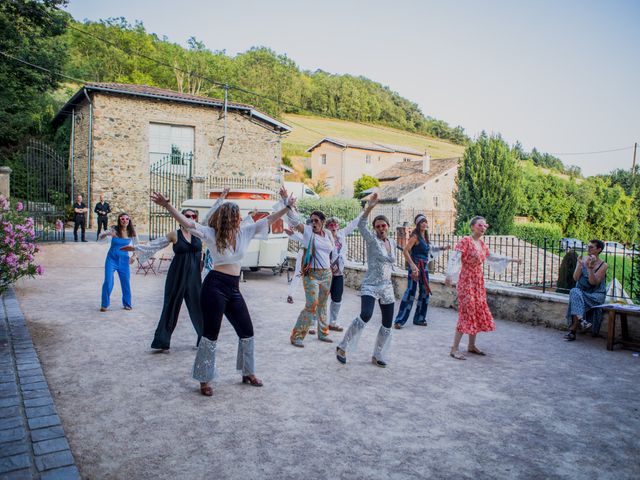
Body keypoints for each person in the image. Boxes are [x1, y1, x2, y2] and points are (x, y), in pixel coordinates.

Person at [150, 186, 295, 397]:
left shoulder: (245, 232)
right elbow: (188, 223)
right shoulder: (211, 234)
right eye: (236, 216)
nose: (239, 219)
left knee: (247, 331)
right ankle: (204, 379)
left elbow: (269, 220)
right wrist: (167, 205)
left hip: (233, 287)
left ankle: (248, 372)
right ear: (230, 218)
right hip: (215, 286)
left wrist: (287, 206)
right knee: (211, 334)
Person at [124, 206, 214, 351]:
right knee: (170, 306)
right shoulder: (174, 234)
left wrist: (222, 196)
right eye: (187, 215)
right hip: (176, 275)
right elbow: (155, 244)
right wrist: (136, 249)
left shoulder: (198, 232)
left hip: (194, 277)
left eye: (193, 216)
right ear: (180, 217)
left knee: (199, 307)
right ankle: (162, 341)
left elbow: (210, 214)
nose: (190, 218)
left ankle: (203, 340)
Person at [445, 216, 521, 360]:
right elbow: (455, 257)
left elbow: (492, 257)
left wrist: (511, 259)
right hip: (467, 282)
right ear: (473, 226)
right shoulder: (465, 241)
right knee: (466, 313)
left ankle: (471, 346)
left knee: (476, 311)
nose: (483, 228)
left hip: (478, 282)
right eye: (480, 225)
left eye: (485, 226)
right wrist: (449, 275)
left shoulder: (481, 244)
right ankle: (454, 349)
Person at [336, 193, 397, 367]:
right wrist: (370, 207)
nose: (381, 228)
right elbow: (361, 224)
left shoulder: (392, 242)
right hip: (370, 284)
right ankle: (342, 346)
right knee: (366, 314)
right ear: (375, 228)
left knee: (387, 323)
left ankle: (377, 354)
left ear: (388, 226)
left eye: (383, 225)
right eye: (378, 226)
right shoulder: (371, 240)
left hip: (387, 286)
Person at [287, 206, 335, 347]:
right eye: (311, 220)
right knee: (312, 304)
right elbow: (296, 222)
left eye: (316, 221)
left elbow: (332, 251)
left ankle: (323, 332)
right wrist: (287, 204)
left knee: (323, 304)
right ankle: (297, 336)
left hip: (326, 273)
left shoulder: (328, 234)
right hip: (311, 274)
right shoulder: (308, 232)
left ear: (323, 222)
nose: (313, 223)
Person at [394, 214, 449, 329]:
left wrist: (443, 248)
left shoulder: (425, 236)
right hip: (415, 269)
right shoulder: (415, 236)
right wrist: (413, 266)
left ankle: (419, 318)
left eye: (425, 222)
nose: (424, 223)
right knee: (410, 293)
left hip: (424, 268)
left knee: (424, 293)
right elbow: (405, 251)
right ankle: (399, 321)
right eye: (422, 222)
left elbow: (430, 248)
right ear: (418, 224)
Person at [325, 213, 364, 332]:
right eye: (331, 225)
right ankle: (315, 322)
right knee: (321, 298)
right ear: (327, 227)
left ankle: (333, 322)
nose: (333, 227)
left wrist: (365, 211)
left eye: (335, 225)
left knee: (337, 298)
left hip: (338, 274)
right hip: (325, 273)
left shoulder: (342, 234)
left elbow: (353, 224)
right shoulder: (324, 236)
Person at [564, 239, 608, 341]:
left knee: (575, 297)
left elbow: (593, 283)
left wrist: (590, 268)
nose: (588, 249)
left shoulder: (603, 265)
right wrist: (579, 264)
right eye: (587, 246)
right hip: (581, 292)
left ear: (599, 249)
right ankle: (582, 320)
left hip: (596, 294)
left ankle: (573, 331)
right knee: (574, 291)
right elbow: (575, 278)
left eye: (591, 247)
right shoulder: (582, 259)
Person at [99, 212, 138, 311]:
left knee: (125, 283)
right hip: (111, 259)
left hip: (124, 261)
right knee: (108, 281)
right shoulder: (114, 229)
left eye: (126, 219)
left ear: (129, 221)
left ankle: (127, 303)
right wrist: (108, 233)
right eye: (122, 219)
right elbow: (100, 238)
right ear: (119, 220)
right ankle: (105, 304)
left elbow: (137, 247)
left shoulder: (132, 232)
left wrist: (134, 256)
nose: (124, 221)